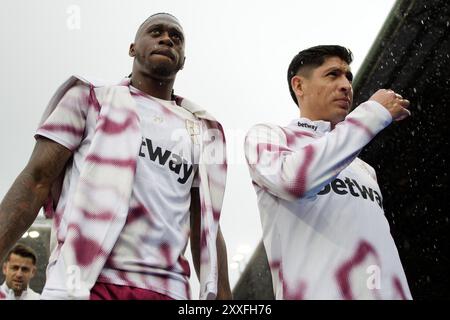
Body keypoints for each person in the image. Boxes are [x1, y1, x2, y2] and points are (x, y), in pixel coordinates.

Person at [0, 13, 231, 300]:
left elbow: (204, 226)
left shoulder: (199, 130)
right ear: (132, 48)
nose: (167, 39)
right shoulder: (91, 97)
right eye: (156, 32)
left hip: (166, 288)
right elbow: (37, 179)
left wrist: (224, 298)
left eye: (176, 37)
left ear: (183, 60)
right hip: (85, 281)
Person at [244, 45, 412, 300]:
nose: (346, 85)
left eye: (348, 77)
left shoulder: (363, 168)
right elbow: (295, 182)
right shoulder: (269, 137)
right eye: (333, 75)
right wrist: (373, 113)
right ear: (299, 86)